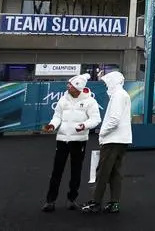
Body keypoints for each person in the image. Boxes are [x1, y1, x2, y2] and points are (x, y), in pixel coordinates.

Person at [41, 73, 101, 212]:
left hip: (78, 141)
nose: (68, 86)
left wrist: (84, 125)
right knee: (57, 171)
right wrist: (52, 125)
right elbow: (57, 116)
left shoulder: (90, 102)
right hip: (62, 140)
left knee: (76, 171)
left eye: (71, 85)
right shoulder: (63, 99)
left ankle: (71, 199)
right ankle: (50, 201)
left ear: (78, 87)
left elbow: (95, 119)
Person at [81, 71, 131, 214]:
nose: (105, 85)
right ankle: (114, 203)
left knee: (103, 172)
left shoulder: (117, 96)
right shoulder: (123, 95)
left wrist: (102, 133)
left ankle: (95, 202)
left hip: (112, 140)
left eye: (106, 82)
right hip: (122, 140)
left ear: (113, 81)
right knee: (115, 173)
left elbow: (114, 119)